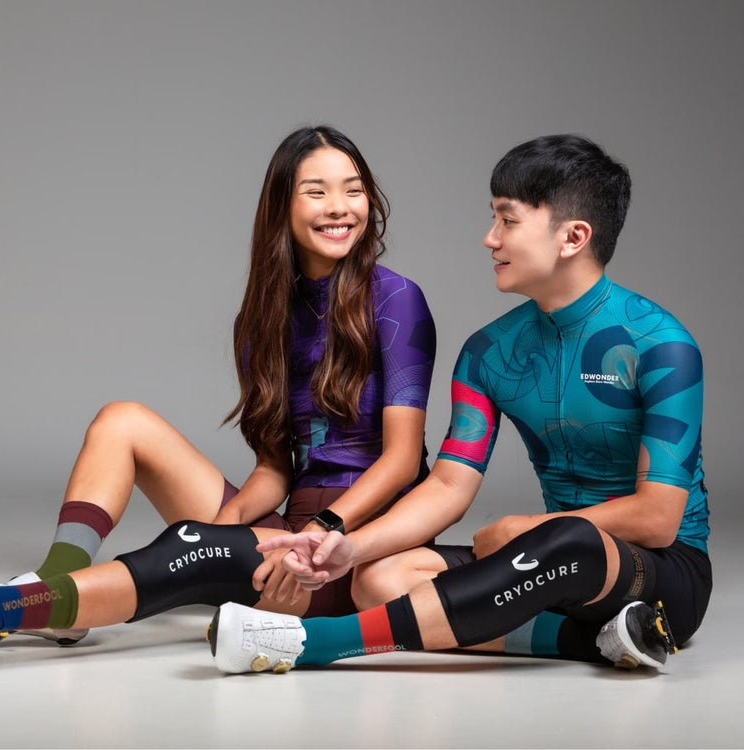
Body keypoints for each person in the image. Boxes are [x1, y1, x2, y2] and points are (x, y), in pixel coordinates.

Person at [206, 134, 711, 675]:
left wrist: (528, 529)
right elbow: (448, 485)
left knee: (571, 540)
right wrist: (350, 546)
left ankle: (311, 644)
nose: (490, 238)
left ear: (573, 237)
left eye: (507, 220)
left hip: (658, 573)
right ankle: (597, 640)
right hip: (540, 561)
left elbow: (658, 519)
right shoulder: (487, 352)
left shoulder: (661, 345)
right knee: (377, 579)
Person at [0, 125, 438, 647]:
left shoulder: (396, 300)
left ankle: (13, 608)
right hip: (288, 529)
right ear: (282, 207)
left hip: (357, 547)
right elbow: (275, 468)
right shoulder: (262, 319)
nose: (339, 207)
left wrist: (321, 530)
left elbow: (402, 460)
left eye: (354, 190)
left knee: (191, 552)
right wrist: (224, 529)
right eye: (317, 192)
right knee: (121, 421)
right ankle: (56, 582)